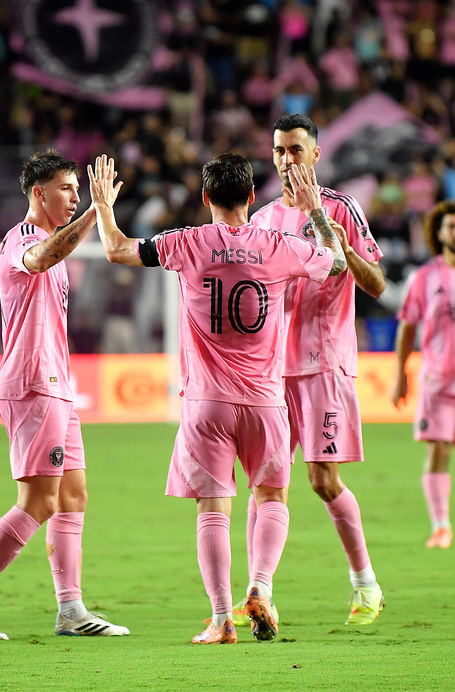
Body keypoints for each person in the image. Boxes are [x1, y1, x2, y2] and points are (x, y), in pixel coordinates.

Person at [88, 152, 345, 644]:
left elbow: (118, 249)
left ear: (205, 197)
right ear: (252, 197)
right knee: (270, 497)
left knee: (212, 508)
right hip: (267, 401)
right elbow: (334, 263)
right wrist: (314, 210)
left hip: (207, 402)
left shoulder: (187, 242)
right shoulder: (279, 245)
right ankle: (262, 586)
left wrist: (103, 205)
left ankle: (222, 619)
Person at [0, 150, 129, 641]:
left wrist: (92, 212)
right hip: (32, 383)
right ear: (38, 193)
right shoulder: (23, 238)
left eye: (77, 189)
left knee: (73, 495)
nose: (73, 197)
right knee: (39, 501)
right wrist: (97, 211)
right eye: (66, 188)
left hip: (57, 385)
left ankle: (71, 610)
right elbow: (43, 257)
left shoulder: (53, 243)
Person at [250, 114, 386, 625]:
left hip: (325, 364)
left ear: (316, 154)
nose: (288, 160)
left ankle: (366, 584)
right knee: (266, 483)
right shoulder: (262, 220)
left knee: (322, 480)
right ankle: (258, 591)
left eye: (297, 150)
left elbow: (376, 284)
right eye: (280, 151)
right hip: (269, 371)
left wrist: (336, 239)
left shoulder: (341, 208)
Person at [392, 200, 455, 549]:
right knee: (439, 450)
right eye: (452, 226)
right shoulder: (424, 277)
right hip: (437, 378)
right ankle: (441, 525)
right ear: (439, 232)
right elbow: (407, 328)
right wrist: (400, 373)